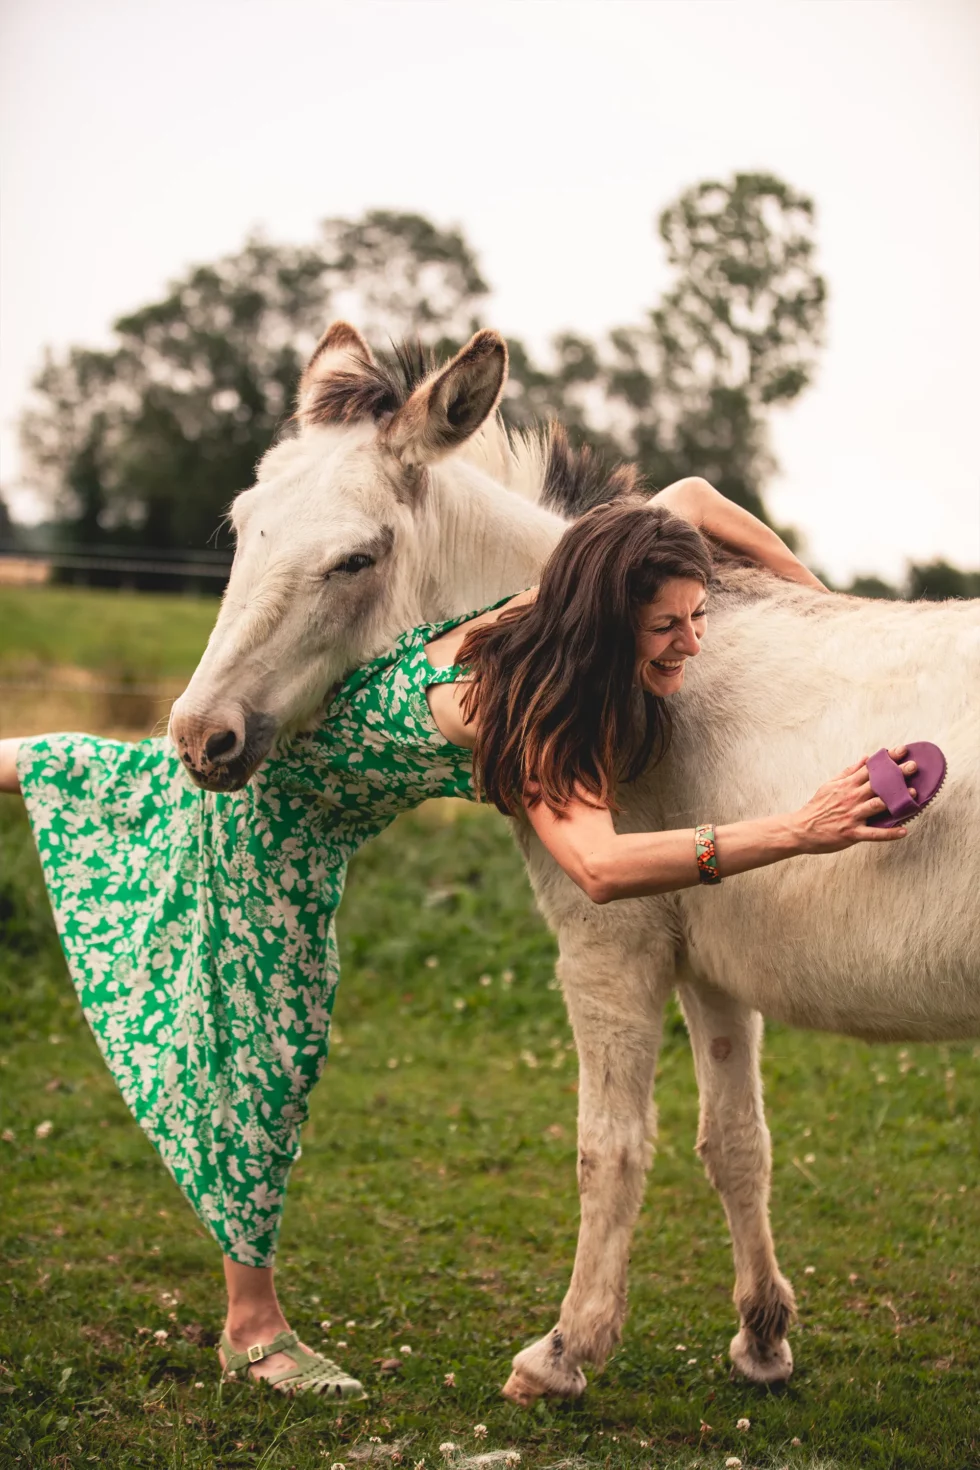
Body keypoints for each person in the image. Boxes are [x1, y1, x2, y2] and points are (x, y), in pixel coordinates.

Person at [0, 482, 915, 1397]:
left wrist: (831, 613)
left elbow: (691, 499)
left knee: (79, 766)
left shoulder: (563, 595)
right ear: (611, 617)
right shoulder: (519, 701)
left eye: (699, 615)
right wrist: (801, 830)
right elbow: (598, 866)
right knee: (260, 1072)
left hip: (271, 778)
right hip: (266, 835)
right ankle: (253, 1328)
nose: (692, 641)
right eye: (666, 625)